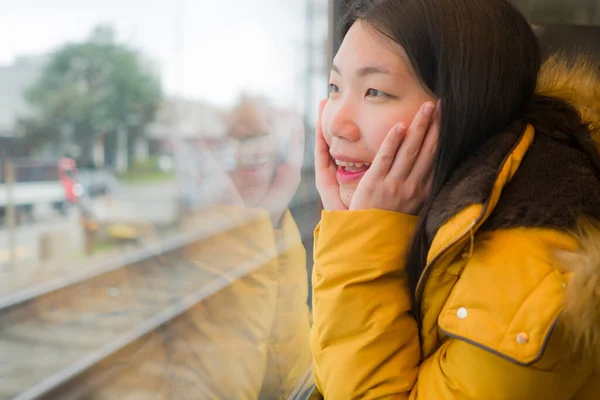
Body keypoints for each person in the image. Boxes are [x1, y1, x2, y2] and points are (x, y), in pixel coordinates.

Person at [310, 0, 600, 399]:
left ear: (465, 106)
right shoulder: (445, 204)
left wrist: (360, 240)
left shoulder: (533, 266)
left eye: (375, 90)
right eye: (335, 87)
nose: (335, 124)